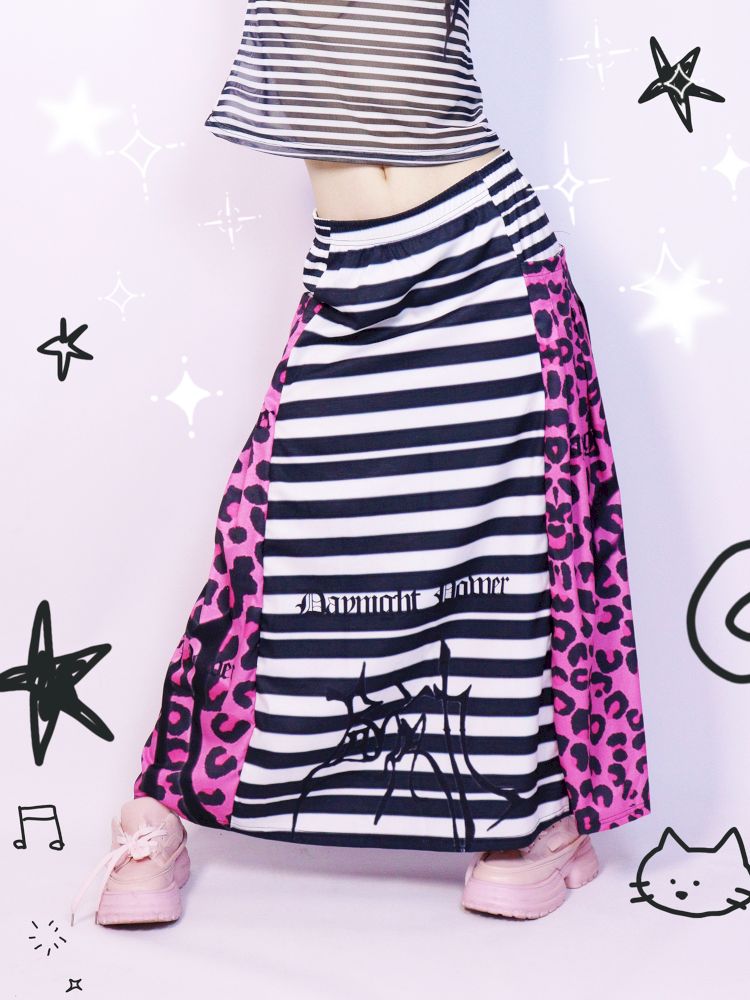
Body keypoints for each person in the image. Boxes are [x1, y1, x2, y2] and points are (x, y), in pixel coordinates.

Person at [70, 0, 651, 927]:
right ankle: (163, 803)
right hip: (348, 272)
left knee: (512, 554)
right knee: (266, 545)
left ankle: (534, 823)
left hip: (485, 254)